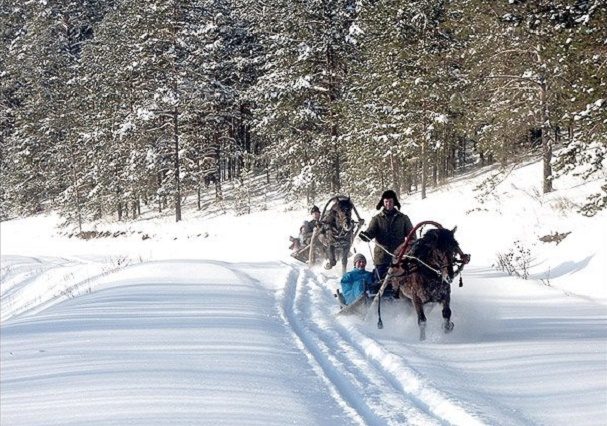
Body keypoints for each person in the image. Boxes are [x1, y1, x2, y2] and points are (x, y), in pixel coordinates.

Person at [359, 190, 414, 280]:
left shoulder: (403, 218)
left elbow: (412, 236)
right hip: (382, 259)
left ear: (394, 202)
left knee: (402, 282)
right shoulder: (376, 219)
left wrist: (408, 250)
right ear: (383, 203)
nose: (388, 203)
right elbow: (370, 232)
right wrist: (366, 236)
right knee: (379, 283)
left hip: (399, 259)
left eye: (390, 201)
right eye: (386, 201)